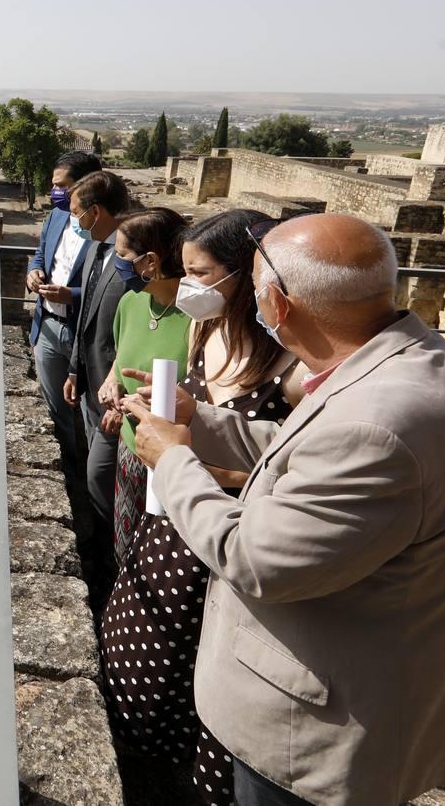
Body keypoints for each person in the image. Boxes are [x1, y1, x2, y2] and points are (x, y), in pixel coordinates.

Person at [125, 213, 445, 806]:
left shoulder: (378, 424)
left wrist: (173, 460)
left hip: (317, 728)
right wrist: (196, 423)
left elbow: (256, 559)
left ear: (278, 304)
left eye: (254, 287)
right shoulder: (405, 368)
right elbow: (301, 456)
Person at [101, 209, 308, 805]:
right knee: (140, 667)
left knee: (199, 688)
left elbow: (292, 482)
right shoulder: (205, 331)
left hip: (223, 546)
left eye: (201, 272)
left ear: (248, 276)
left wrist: (195, 465)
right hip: (167, 526)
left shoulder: (292, 374)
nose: (188, 283)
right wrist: (159, 411)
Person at [54, 170, 140, 605]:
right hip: (89, 385)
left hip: (114, 397)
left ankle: (110, 569)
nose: (73, 220)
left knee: (100, 477)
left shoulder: (133, 263)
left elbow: (134, 337)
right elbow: (85, 315)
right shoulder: (95, 250)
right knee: (97, 472)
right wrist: (73, 371)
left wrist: (121, 396)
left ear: (96, 211)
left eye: (76, 213)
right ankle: (104, 554)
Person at [91, 205, 192, 561]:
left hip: (175, 464)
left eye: (121, 255)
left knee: (157, 559)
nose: (116, 262)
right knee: (124, 550)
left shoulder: (198, 321)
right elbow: (121, 356)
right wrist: (110, 384)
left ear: (150, 262)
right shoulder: (132, 302)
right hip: (131, 447)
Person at [25, 150, 102, 507]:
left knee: (92, 415)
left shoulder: (105, 228)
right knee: (55, 413)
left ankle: (94, 489)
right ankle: (69, 484)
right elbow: (42, 254)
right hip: (48, 327)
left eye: (62, 186)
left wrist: (70, 294)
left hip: (83, 336)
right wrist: (33, 272)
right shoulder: (55, 216)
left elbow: (111, 286)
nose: (54, 192)